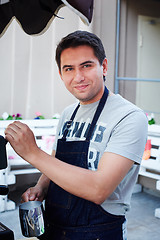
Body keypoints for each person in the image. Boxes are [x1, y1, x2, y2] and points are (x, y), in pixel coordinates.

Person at [5, 30, 148, 240]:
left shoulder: (129, 117)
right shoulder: (68, 114)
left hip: (99, 232)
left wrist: (33, 153)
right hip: (55, 228)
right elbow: (56, 161)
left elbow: (99, 190)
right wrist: (40, 187)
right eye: (69, 69)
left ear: (104, 66)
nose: (78, 77)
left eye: (87, 65)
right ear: (61, 74)